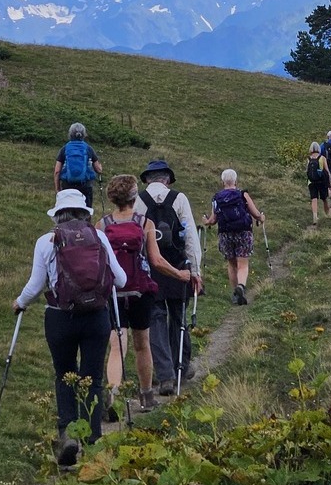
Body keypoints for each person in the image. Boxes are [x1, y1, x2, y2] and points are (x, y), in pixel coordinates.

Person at [13, 188, 127, 466]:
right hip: (97, 316)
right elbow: (121, 280)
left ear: (57, 214)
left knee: (65, 373)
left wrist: (20, 302)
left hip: (60, 317)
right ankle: (93, 440)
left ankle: (68, 434)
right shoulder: (98, 237)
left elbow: (36, 284)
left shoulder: (46, 241)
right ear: (84, 213)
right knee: (92, 377)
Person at [98, 174, 186, 414]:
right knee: (142, 345)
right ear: (134, 197)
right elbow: (156, 260)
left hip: (115, 292)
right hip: (141, 290)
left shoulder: (103, 225)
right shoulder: (144, 222)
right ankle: (146, 396)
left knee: (117, 346)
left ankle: (113, 395)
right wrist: (180, 275)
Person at [135, 160, 203, 396]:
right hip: (177, 267)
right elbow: (191, 236)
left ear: (147, 179)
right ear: (167, 180)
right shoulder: (179, 198)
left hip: (150, 268)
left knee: (155, 320)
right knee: (178, 317)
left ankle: (165, 376)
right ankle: (181, 367)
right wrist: (195, 271)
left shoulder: (139, 201)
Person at [202, 168, 266, 306]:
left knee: (231, 264)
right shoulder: (242, 195)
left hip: (225, 234)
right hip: (243, 232)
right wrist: (262, 217)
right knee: (242, 264)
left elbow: (213, 220)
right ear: (235, 181)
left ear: (223, 182)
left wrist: (205, 221)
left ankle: (235, 295)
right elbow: (255, 214)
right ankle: (241, 286)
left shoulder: (217, 198)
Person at [54, 122, 103, 208]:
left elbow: (57, 171)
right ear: (84, 134)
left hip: (67, 186)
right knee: (86, 211)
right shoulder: (88, 148)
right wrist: (100, 168)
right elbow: (98, 169)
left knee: (68, 211)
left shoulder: (64, 149)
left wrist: (58, 189)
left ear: (70, 134)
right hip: (85, 186)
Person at [306, 142, 331, 224]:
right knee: (324, 199)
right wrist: (329, 183)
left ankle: (315, 217)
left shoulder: (309, 159)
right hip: (321, 181)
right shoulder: (322, 158)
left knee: (314, 199)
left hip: (311, 182)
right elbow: (327, 171)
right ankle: (327, 215)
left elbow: (307, 171)